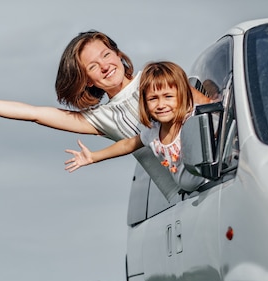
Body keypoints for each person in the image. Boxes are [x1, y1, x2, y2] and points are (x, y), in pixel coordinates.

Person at [0, 30, 209, 200]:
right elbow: (34, 113)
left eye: (106, 54)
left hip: (213, 175)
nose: (104, 66)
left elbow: (209, 109)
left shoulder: (156, 81)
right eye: (93, 66)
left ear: (118, 54)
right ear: (87, 80)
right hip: (179, 199)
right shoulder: (102, 118)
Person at [64, 61, 206, 192]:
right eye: (153, 99)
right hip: (194, 193)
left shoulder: (193, 119)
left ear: (182, 96)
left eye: (168, 96)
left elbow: (217, 124)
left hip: (209, 183)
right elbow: (126, 145)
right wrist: (94, 157)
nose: (161, 105)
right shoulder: (153, 133)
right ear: (144, 103)